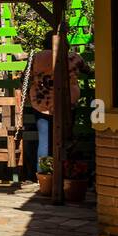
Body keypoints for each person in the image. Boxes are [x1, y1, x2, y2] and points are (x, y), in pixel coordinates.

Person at [27, 34, 86, 162]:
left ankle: (44, 176)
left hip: (41, 103)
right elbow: (87, 70)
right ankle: (65, 172)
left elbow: (25, 77)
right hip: (66, 103)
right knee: (65, 140)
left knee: (44, 140)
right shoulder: (73, 57)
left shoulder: (37, 57)